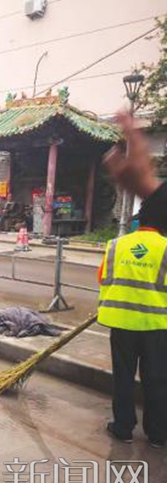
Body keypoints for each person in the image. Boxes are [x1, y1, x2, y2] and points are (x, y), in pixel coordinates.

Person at [99, 112, 167, 448]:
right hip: (156, 326)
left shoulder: (116, 244)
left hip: (122, 324)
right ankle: (158, 434)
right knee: (157, 379)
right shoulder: (165, 247)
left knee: (123, 379)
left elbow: (104, 279)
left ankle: (123, 427)